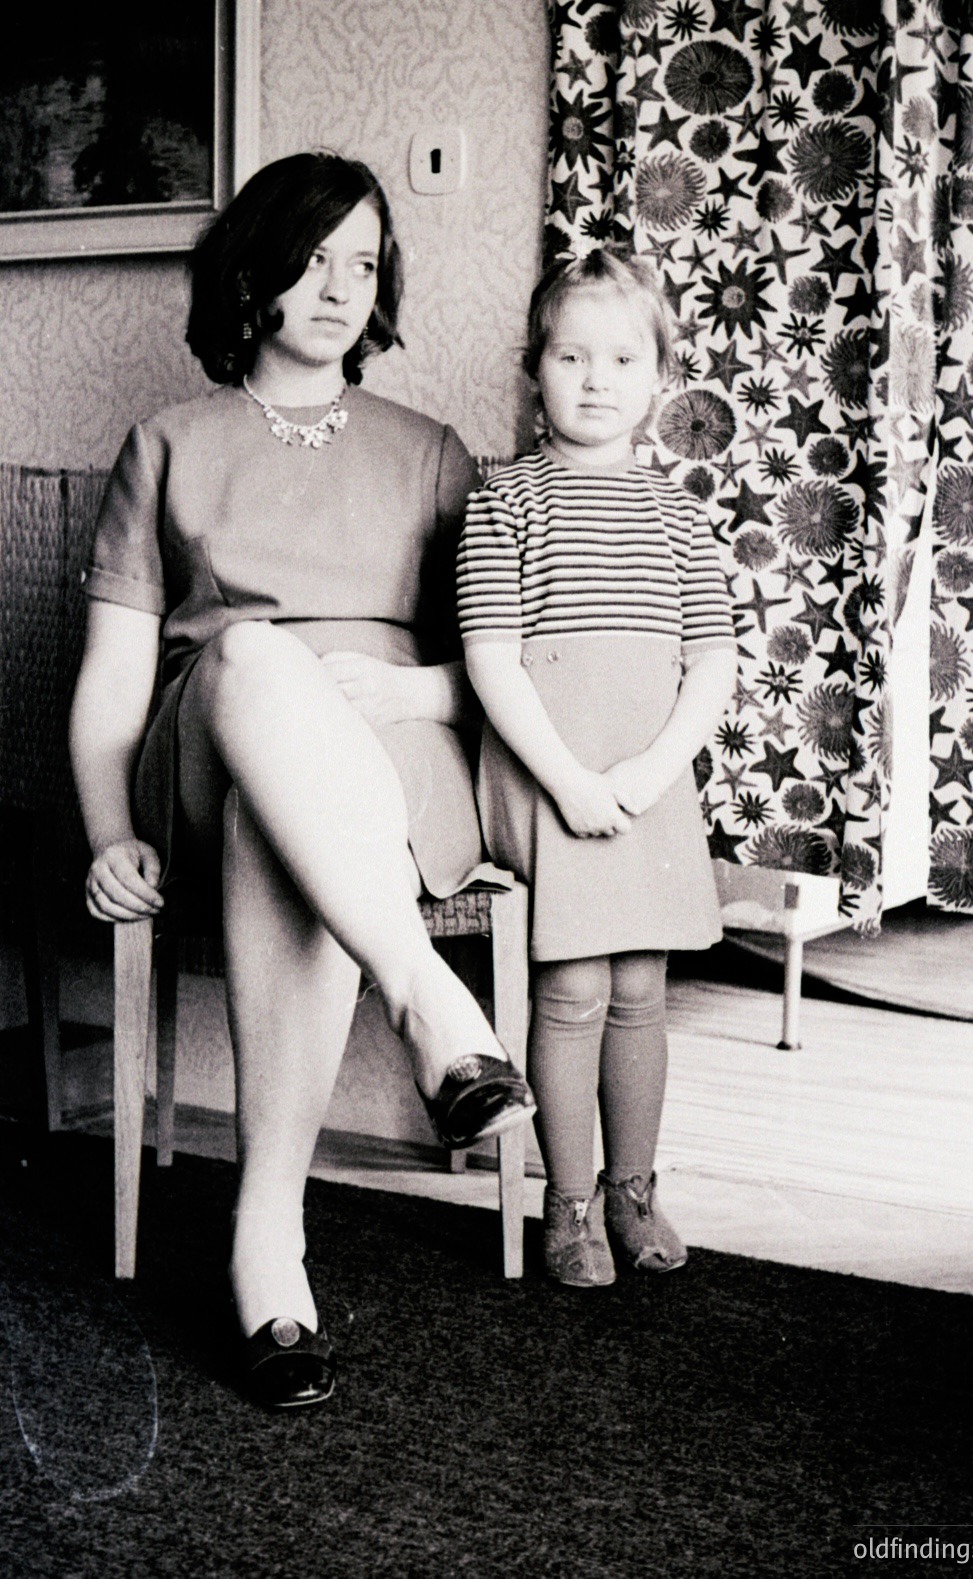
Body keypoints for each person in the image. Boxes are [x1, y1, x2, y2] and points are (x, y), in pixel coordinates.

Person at [68, 151, 535, 1407]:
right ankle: (431, 1000)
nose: (339, 286)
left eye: (364, 262)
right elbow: (117, 675)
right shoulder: (168, 440)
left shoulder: (432, 453)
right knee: (257, 661)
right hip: (209, 756)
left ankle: (266, 1246)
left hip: (387, 769)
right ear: (252, 273)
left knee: (306, 811)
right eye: (314, 255)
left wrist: (417, 692)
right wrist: (108, 828)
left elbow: (497, 664)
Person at [455, 249, 737, 1287]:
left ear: (658, 375)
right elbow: (490, 657)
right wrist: (569, 781)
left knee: (641, 990)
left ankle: (632, 1189)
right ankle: (565, 1204)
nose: (596, 377)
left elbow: (711, 661)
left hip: (647, 778)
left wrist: (655, 769)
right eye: (570, 354)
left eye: (622, 356)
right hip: (549, 774)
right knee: (570, 988)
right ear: (534, 368)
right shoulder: (505, 500)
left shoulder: (675, 514)